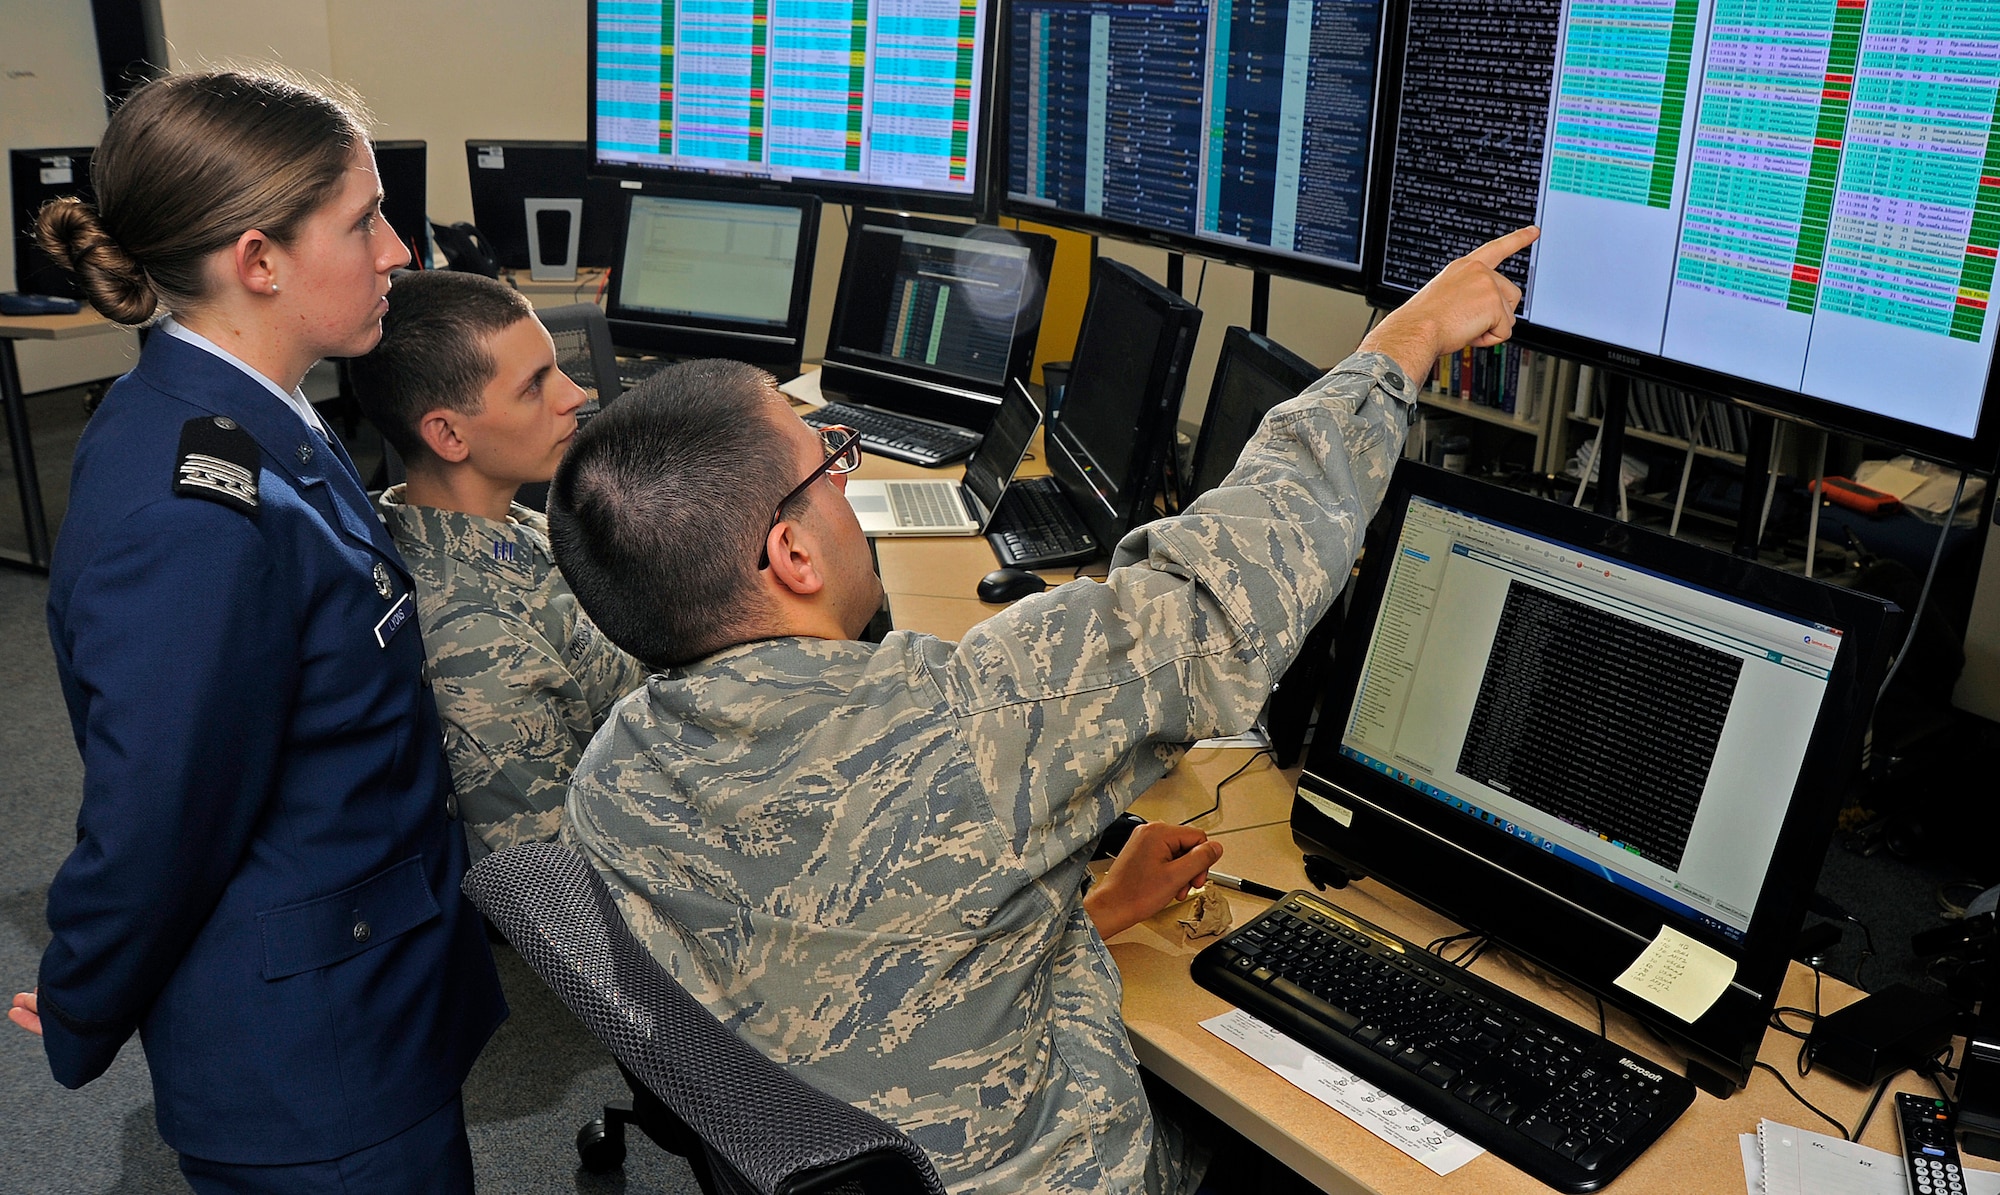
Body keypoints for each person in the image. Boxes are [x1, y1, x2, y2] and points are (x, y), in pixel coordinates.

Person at [543, 229, 1537, 1192]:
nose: (842, 482)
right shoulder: (966, 724)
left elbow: (847, 965)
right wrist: (1402, 343)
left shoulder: (606, 779)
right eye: (828, 464)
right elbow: (1223, 587)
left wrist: (1089, 912)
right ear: (790, 556)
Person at [7, 70, 506, 1192]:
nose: (398, 251)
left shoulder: (256, 416)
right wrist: (89, 988)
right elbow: (160, 811)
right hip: (316, 1065)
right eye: (363, 219)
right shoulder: (191, 515)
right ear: (258, 260)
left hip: (375, 982)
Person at [347, 270, 650, 857]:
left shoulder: (508, 525)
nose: (575, 395)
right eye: (534, 386)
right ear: (448, 436)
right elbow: (562, 899)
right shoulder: (477, 650)